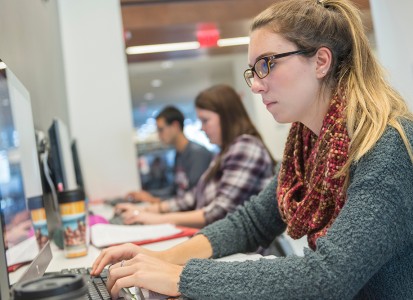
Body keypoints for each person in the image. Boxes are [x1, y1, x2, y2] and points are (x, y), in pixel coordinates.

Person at [91, 0, 413, 298]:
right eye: (253, 71)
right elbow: (251, 223)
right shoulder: (308, 146)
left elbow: (328, 277)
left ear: (321, 61)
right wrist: (159, 258)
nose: (256, 85)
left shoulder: (387, 146)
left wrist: (180, 277)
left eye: (267, 64)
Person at [115, 84, 275, 228]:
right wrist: (147, 210)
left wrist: (154, 218)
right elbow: (192, 196)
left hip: (245, 251)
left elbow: (219, 212)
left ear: (227, 117)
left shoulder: (245, 147)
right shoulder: (226, 151)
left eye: (206, 120)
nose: (202, 128)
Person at [126, 106, 213, 203]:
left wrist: (155, 201)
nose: (159, 135)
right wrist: (148, 194)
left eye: (161, 129)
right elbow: (175, 190)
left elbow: (193, 197)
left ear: (175, 126)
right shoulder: (179, 154)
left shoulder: (197, 154)